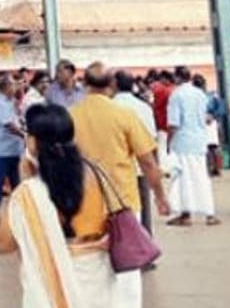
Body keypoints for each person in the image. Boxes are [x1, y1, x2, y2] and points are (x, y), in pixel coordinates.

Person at [0, 103, 117, 308]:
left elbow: (3, 243)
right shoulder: (98, 176)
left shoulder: (30, 193)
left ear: (32, 142)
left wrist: (23, 183)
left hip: (50, 293)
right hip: (98, 282)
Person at [69, 62, 169, 308]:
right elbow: (147, 161)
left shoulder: (70, 116)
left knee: (91, 266)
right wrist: (160, 196)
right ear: (112, 85)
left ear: (84, 84)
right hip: (123, 202)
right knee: (127, 269)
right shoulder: (124, 115)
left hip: (84, 202)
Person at [166, 68, 220, 227]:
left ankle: (186, 214)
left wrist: (169, 142)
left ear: (177, 78)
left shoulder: (176, 95)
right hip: (199, 142)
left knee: (183, 179)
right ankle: (209, 214)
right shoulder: (200, 94)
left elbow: (174, 123)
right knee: (201, 177)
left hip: (183, 142)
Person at [111, 70, 160, 235]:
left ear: (114, 85)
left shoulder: (110, 107)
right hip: (141, 165)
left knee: (121, 210)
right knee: (144, 207)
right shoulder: (144, 107)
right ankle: (146, 242)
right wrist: (155, 166)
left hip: (117, 167)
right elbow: (152, 139)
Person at [0, 75, 25, 207]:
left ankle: (19, 213)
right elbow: (9, 125)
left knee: (17, 186)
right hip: (0, 152)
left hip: (13, 150)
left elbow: (18, 120)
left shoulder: (11, 101)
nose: (16, 87)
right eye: (13, 84)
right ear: (6, 86)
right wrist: (25, 136)